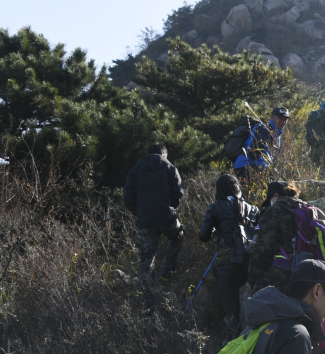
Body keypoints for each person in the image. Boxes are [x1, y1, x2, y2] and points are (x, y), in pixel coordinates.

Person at [198, 174, 261, 333]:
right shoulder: (253, 209)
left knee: (231, 313)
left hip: (227, 264)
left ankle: (235, 345)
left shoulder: (215, 208)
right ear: (238, 189)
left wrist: (215, 229)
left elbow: (203, 236)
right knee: (255, 307)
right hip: (251, 263)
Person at [123, 143, 185, 291]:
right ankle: (166, 273)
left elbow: (128, 196)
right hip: (167, 218)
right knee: (178, 236)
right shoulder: (170, 167)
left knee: (146, 261)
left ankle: (147, 303)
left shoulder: (136, 170)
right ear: (164, 154)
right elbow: (178, 192)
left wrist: (137, 213)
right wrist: (171, 208)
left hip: (145, 221)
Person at [234, 107, 290, 177]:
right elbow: (253, 152)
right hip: (246, 166)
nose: (283, 122)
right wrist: (263, 169)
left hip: (256, 168)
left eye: (285, 119)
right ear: (272, 117)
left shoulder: (277, 135)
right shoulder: (263, 128)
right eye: (280, 118)